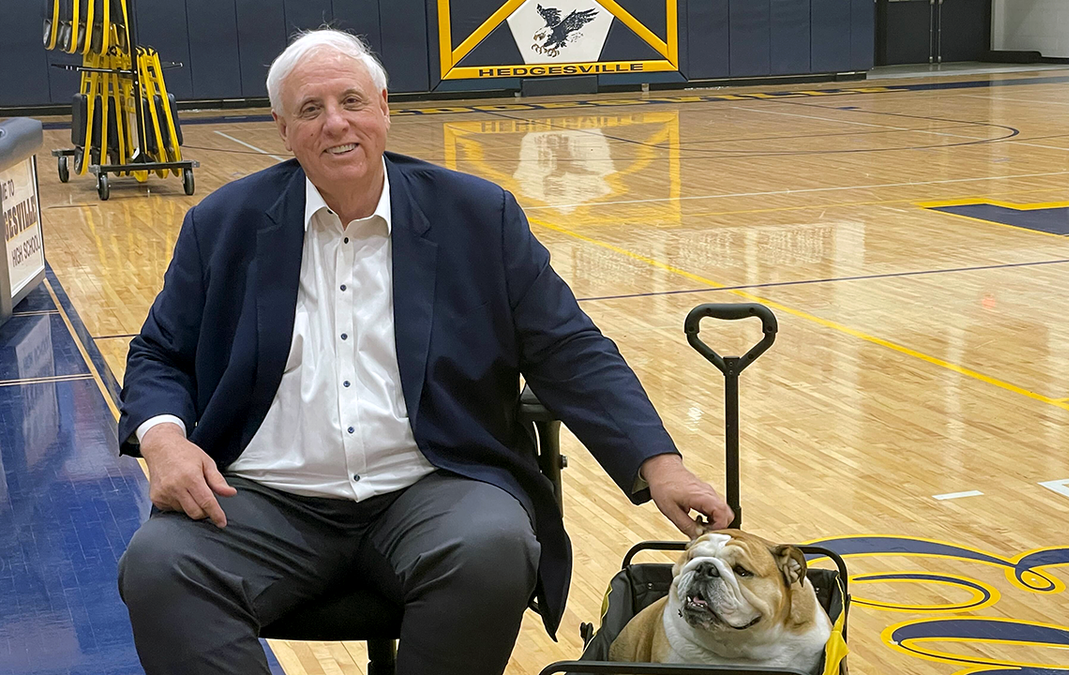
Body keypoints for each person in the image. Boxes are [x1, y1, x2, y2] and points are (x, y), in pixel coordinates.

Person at [116, 28, 733, 675]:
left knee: (493, 544)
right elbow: (159, 351)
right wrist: (163, 439)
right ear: (282, 128)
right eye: (310, 110)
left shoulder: (477, 215)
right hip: (262, 498)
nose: (335, 124)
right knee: (160, 566)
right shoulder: (222, 223)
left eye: (351, 101)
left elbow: (568, 348)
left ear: (383, 105)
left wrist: (659, 464)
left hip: (431, 487)